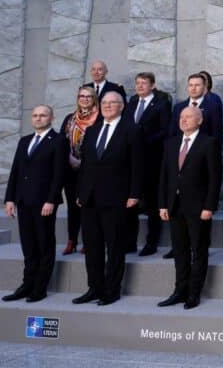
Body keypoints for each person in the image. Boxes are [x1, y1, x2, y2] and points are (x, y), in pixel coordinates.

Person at [73, 91, 143, 306]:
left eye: (113, 102)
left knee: (114, 246)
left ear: (122, 106)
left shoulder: (132, 130)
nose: (108, 106)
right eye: (104, 102)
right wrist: (80, 193)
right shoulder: (93, 130)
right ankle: (94, 288)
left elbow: (138, 166)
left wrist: (134, 193)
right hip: (90, 198)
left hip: (117, 198)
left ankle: (111, 291)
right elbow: (85, 167)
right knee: (92, 246)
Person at [156, 105, 221, 309]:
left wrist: (209, 206)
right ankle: (179, 290)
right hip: (174, 206)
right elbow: (164, 177)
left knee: (198, 251)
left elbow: (214, 178)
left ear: (199, 120)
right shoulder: (171, 143)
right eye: (181, 117)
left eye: (189, 117)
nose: (183, 120)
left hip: (198, 208)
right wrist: (162, 204)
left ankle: (194, 293)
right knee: (179, 250)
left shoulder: (208, 143)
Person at [2, 105, 66, 303]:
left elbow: (59, 174)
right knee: (28, 246)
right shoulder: (24, 141)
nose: (38, 118)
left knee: (44, 245)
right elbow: (16, 172)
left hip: (43, 203)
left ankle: (40, 288)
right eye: (35, 115)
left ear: (52, 118)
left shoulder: (58, 141)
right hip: (23, 201)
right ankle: (26, 284)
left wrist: (51, 200)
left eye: (43, 115)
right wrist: (10, 198)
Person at [123, 72, 171, 256]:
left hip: (152, 159)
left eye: (144, 83)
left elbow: (164, 130)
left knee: (152, 203)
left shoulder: (161, 104)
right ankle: (130, 242)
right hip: (132, 161)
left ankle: (151, 242)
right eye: (138, 83)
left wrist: (143, 142)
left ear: (153, 85)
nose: (140, 86)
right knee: (131, 201)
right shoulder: (132, 102)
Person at [60, 86, 100, 255]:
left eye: (88, 96)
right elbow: (61, 141)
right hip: (70, 169)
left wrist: (83, 162)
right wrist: (69, 158)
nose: (84, 99)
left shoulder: (100, 118)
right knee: (72, 206)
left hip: (90, 169)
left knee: (88, 206)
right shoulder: (70, 118)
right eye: (81, 96)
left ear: (94, 99)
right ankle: (72, 240)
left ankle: (88, 241)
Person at [169, 73, 223, 147]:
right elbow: (172, 133)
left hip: (203, 152)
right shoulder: (178, 107)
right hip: (180, 151)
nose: (193, 88)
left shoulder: (213, 107)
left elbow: (216, 134)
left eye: (197, 85)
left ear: (204, 87)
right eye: (190, 85)